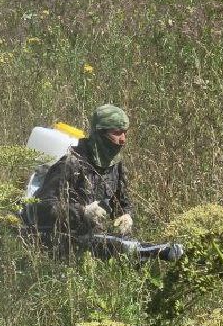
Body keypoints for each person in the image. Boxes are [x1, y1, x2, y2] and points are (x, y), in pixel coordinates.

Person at [22, 103, 139, 258]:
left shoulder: (115, 165)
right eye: (117, 133)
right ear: (100, 132)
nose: (123, 139)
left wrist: (126, 215)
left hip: (97, 240)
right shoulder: (71, 163)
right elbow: (42, 206)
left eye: (125, 133)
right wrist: (82, 212)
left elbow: (121, 202)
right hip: (63, 243)